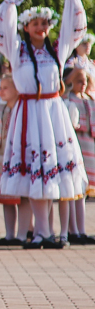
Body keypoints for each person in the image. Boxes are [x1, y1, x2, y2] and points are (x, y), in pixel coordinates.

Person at [0, 0, 88, 249]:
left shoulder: (58, 50)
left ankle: (51, 232)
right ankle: (41, 232)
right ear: (25, 27)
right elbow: (3, 30)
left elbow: (74, 28)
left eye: (44, 23)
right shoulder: (17, 51)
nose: (40, 27)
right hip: (29, 114)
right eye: (35, 24)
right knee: (35, 171)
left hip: (52, 112)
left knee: (51, 171)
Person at [0, 73, 25, 245]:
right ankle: (10, 235)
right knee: (7, 199)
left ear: (17, 89)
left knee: (23, 198)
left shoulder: (24, 108)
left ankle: (23, 233)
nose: (1, 91)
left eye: (5, 88)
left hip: (20, 157)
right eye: (0, 88)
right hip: (1, 158)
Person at [63, 66, 94, 244]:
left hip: (89, 148)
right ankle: (72, 229)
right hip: (75, 147)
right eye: (78, 81)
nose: (82, 84)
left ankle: (80, 230)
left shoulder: (89, 100)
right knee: (73, 190)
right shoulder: (67, 100)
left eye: (84, 81)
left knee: (83, 191)